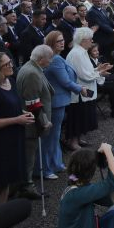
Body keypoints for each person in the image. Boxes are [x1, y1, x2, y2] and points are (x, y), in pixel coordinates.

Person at [0, 53, 36, 211]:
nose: (11, 65)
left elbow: (11, 108)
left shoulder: (10, 82)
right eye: (6, 64)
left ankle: (0, 220)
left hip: (13, 139)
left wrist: (23, 113)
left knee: (6, 183)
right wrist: (17, 119)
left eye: (10, 62)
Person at [15, 45, 54, 199]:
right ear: (41, 59)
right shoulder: (32, 73)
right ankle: (27, 185)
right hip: (32, 123)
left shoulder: (32, 68)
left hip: (32, 120)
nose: (50, 61)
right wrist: (44, 121)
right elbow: (33, 103)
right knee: (29, 156)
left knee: (30, 155)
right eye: (49, 58)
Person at [57, 145, 114, 228]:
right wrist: (107, 150)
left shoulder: (77, 186)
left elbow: (110, 200)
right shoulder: (79, 194)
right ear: (90, 172)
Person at [43, 30, 84, 170]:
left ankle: (56, 163)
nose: (62, 43)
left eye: (62, 40)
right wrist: (80, 89)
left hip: (58, 100)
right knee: (53, 135)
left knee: (56, 134)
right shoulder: (55, 59)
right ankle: (49, 166)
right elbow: (65, 81)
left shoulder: (57, 57)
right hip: (56, 101)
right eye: (58, 41)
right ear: (51, 44)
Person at [66, 28, 112, 148]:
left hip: (85, 90)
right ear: (83, 40)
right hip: (79, 91)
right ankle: (73, 141)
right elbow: (84, 75)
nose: (92, 41)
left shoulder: (82, 51)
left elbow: (87, 70)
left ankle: (79, 138)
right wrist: (100, 73)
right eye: (90, 39)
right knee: (78, 116)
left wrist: (98, 69)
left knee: (83, 116)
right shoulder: (77, 53)